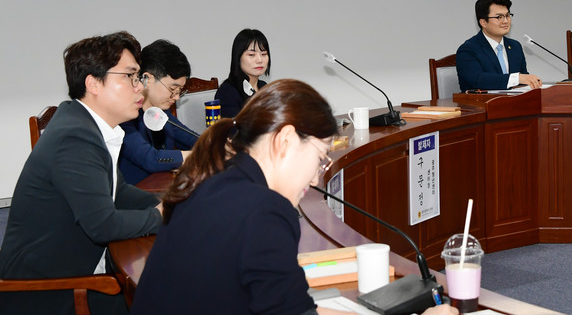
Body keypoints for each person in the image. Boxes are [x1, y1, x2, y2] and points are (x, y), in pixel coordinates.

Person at [130, 79, 456, 315]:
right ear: (286, 140)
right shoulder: (263, 209)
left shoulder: (216, 180)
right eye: (320, 158)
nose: (316, 178)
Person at [0, 32, 162, 315]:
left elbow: (119, 191)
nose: (140, 87)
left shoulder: (81, 123)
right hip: (46, 294)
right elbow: (104, 225)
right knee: (165, 298)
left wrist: (170, 203)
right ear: (93, 83)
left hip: (72, 271)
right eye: (130, 76)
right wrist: (161, 216)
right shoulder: (74, 137)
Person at [118, 39, 198, 185]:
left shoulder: (162, 114)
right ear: (147, 79)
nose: (176, 97)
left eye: (180, 91)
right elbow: (150, 159)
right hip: (135, 194)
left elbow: (193, 140)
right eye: (172, 89)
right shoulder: (124, 116)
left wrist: (218, 144)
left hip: (163, 189)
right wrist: (199, 155)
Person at [456, 0, 542, 92]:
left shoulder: (515, 46)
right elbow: (478, 80)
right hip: (482, 101)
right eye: (499, 17)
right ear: (483, 22)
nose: (505, 21)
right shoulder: (468, 49)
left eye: (507, 15)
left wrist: (532, 81)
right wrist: (516, 78)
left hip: (514, 101)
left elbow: (523, 80)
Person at [214, 28, 271, 117]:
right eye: (251, 55)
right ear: (238, 58)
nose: (260, 60)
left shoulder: (265, 87)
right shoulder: (227, 92)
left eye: (264, 54)